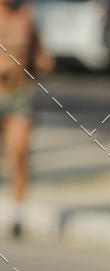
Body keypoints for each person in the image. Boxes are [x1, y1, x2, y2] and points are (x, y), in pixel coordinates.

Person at [0, 0, 53, 237]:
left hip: (19, 94)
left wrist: (42, 61)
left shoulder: (27, 17)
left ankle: (18, 214)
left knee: (19, 151)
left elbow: (42, 54)